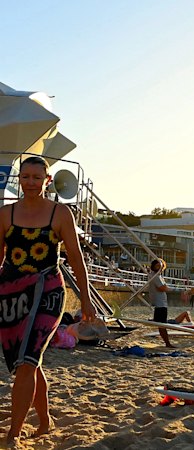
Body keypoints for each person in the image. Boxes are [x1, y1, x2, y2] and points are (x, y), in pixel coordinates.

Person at [0, 156, 97, 446]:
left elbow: (77, 260)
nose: (30, 182)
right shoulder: (5, 214)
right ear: (20, 180)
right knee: (28, 361)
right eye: (25, 177)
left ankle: (13, 434)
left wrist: (87, 301)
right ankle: (45, 420)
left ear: (47, 180)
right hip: (11, 294)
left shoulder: (60, 214)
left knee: (28, 360)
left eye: (36, 177)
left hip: (48, 291)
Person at [148, 259, 174, 348]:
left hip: (161, 303)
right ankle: (167, 343)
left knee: (161, 324)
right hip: (160, 304)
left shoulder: (157, 276)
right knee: (162, 325)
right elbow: (162, 288)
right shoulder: (155, 276)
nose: (159, 267)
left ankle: (167, 343)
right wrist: (172, 289)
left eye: (160, 266)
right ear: (153, 266)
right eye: (157, 265)